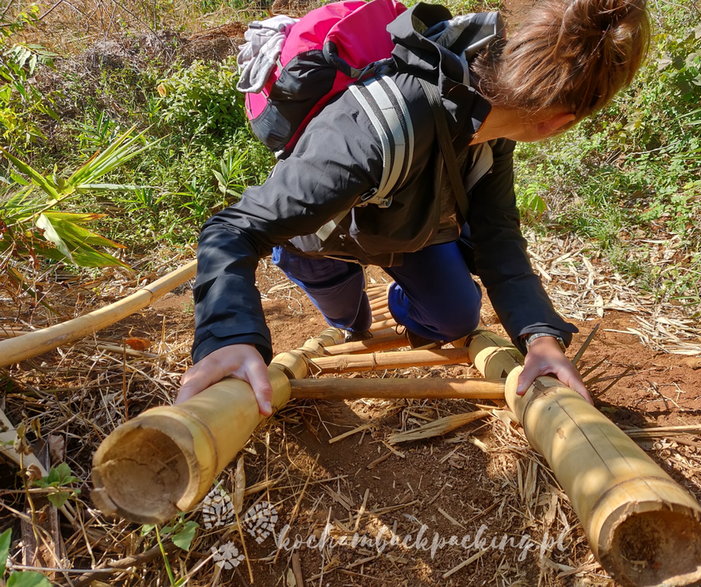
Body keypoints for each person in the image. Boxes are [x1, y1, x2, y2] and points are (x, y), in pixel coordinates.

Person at [177, 0, 650, 414]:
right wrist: (228, 336)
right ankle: (350, 313)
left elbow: (497, 236)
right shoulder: (369, 130)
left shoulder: (492, 121)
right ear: (557, 123)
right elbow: (234, 229)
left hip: (405, 226)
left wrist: (541, 337)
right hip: (320, 238)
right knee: (351, 321)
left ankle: (397, 301)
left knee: (456, 318)